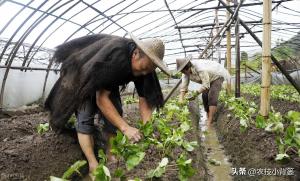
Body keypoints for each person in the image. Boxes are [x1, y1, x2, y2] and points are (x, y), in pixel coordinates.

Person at [45, 33, 170, 174]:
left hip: (105, 77)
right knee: (85, 116)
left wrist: (147, 129)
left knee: (116, 111)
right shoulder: (117, 56)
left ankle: (111, 156)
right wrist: (125, 128)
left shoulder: (147, 68)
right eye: (142, 69)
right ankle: (92, 163)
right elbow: (101, 99)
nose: (143, 73)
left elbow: (144, 100)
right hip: (82, 74)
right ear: (135, 54)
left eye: (148, 70)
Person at [176, 56, 230, 128]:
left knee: (212, 95)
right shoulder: (185, 73)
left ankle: (210, 120)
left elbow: (206, 85)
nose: (183, 73)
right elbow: (184, 87)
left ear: (188, 68)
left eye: (184, 71)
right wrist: (181, 99)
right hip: (207, 79)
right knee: (204, 96)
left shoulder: (200, 68)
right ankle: (208, 116)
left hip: (217, 76)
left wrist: (195, 94)